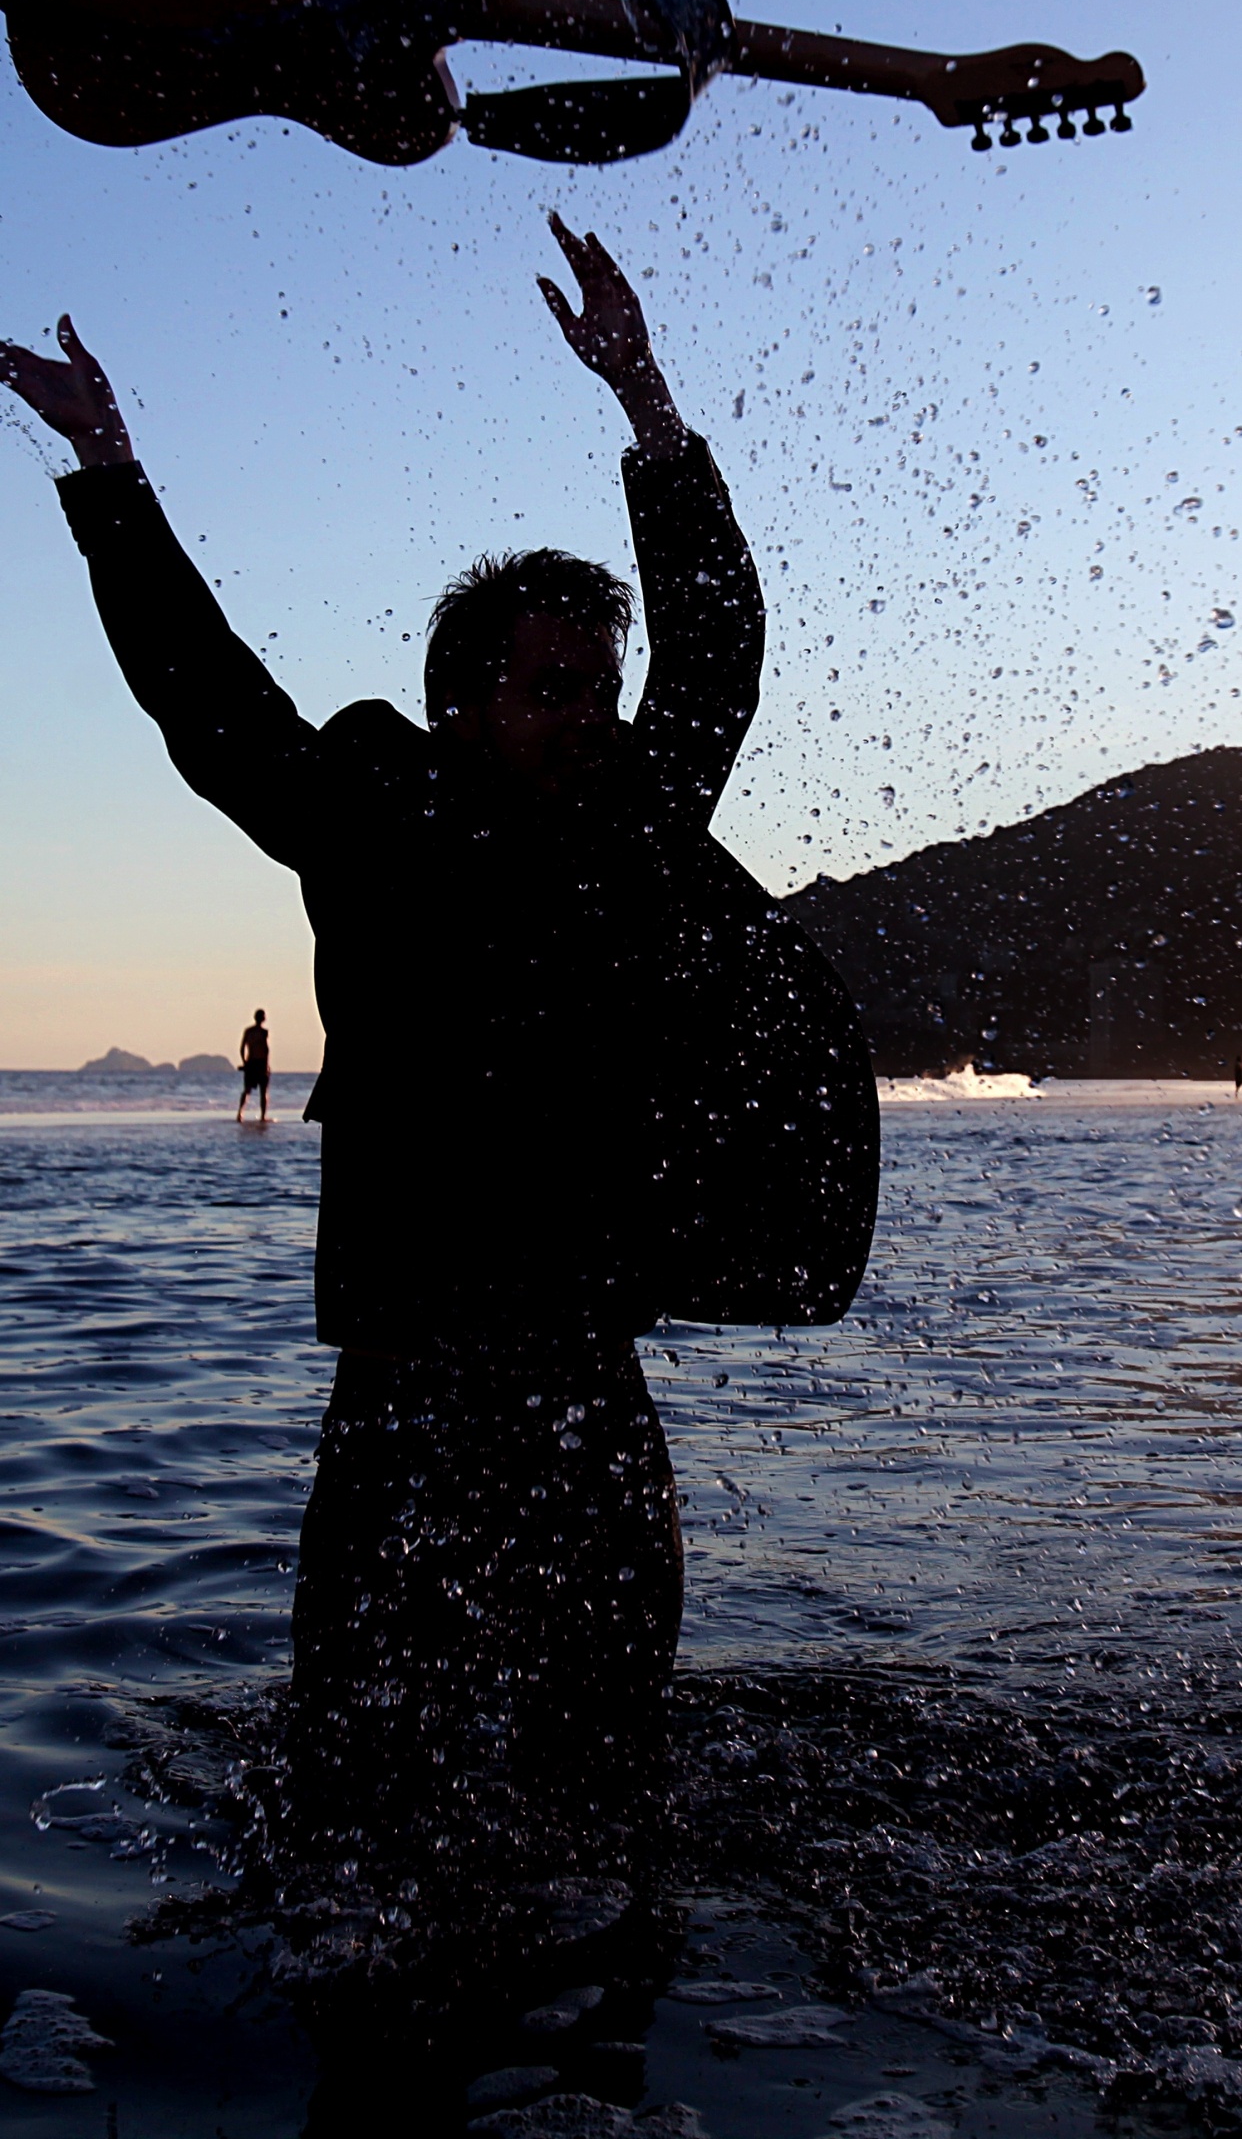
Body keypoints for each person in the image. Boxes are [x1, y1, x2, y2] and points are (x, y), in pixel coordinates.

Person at [0, 214, 877, 1843]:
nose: (593, 717)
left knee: (611, 1792)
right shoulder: (374, 815)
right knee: (355, 1794)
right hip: (403, 1405)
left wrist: (649, 406)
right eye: (555, 688)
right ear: (462, 700)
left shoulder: (624, 827)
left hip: (586, 1395)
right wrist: (106, 470)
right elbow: (209, 701)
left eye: (599, 685)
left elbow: (715, 662)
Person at [237, 1007, 270, 1122]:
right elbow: (266, 1050)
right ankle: (262, 1116)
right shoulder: (263, 1032)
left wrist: (245, 1062)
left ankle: (240, 1113)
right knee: (263, 1092)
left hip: (251, 1062)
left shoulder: (248, 1031)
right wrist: (266, 1066)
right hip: (260, 1063)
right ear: (263, 1019)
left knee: (247, 1090)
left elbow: (242, 1048)